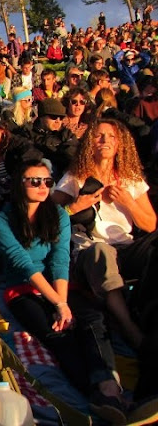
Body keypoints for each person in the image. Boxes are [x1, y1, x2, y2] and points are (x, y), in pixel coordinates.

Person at [0, 160, 126, 423]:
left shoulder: (59, 215)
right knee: (58, 335)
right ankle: (94, 394)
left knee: (92, 320)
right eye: (35, 181)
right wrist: (58, 305)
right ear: (19, 184)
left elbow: (60, 259)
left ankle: (109, 387)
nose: (43, 186)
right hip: (23, 286)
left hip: (59, 284)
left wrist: (62, 303)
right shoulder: (2, 219)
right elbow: (23, 263)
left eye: (47, 181)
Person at [52, 119, 157, 353]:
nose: (105, 141)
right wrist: (75, 207)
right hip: (91, 249)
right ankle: (129, 327)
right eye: (99, 136)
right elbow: (47, 216)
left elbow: (150, 224)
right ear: (90, 142)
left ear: (120, 143)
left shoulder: (130, 179)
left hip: (126, 247)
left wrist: (129, 202)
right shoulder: (76, 177)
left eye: (111, 136)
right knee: (102, 251)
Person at [21, 98, 79, 179]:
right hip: (41, 177)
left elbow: (72, 152)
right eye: (53, 117)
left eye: (61, 118)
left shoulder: (66, 134)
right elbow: (30, 155)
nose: (58, 121)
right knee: (45, 163)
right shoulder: (28, 133)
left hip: (65, 174)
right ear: (41, 117)